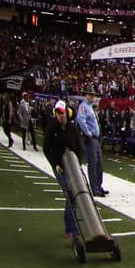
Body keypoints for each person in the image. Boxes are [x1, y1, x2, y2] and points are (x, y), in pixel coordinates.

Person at [43, 100, 84, 241]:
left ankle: (71, 227)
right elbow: (46, 149)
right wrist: (55, 164)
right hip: (59, 166)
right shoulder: (51, 128)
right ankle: (72, 229)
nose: (60, 116)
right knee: (70, 192)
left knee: (75, 194)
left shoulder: (73, 129)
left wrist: (78, 163)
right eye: (58, 113)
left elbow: (79, 148)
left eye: (62, 113)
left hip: (72, 166)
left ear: (67, 112)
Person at [75, 91, 107, 196]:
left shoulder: (90, 107)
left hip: (96, 138)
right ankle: (95, 188)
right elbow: (80, 119)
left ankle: (99, 185)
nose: (93, 97)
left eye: (93, 95)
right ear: (86, 96)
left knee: (99, 163)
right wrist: (88, 133)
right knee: (93, 163)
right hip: (91, 138)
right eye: (91, 95)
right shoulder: (83, 106)